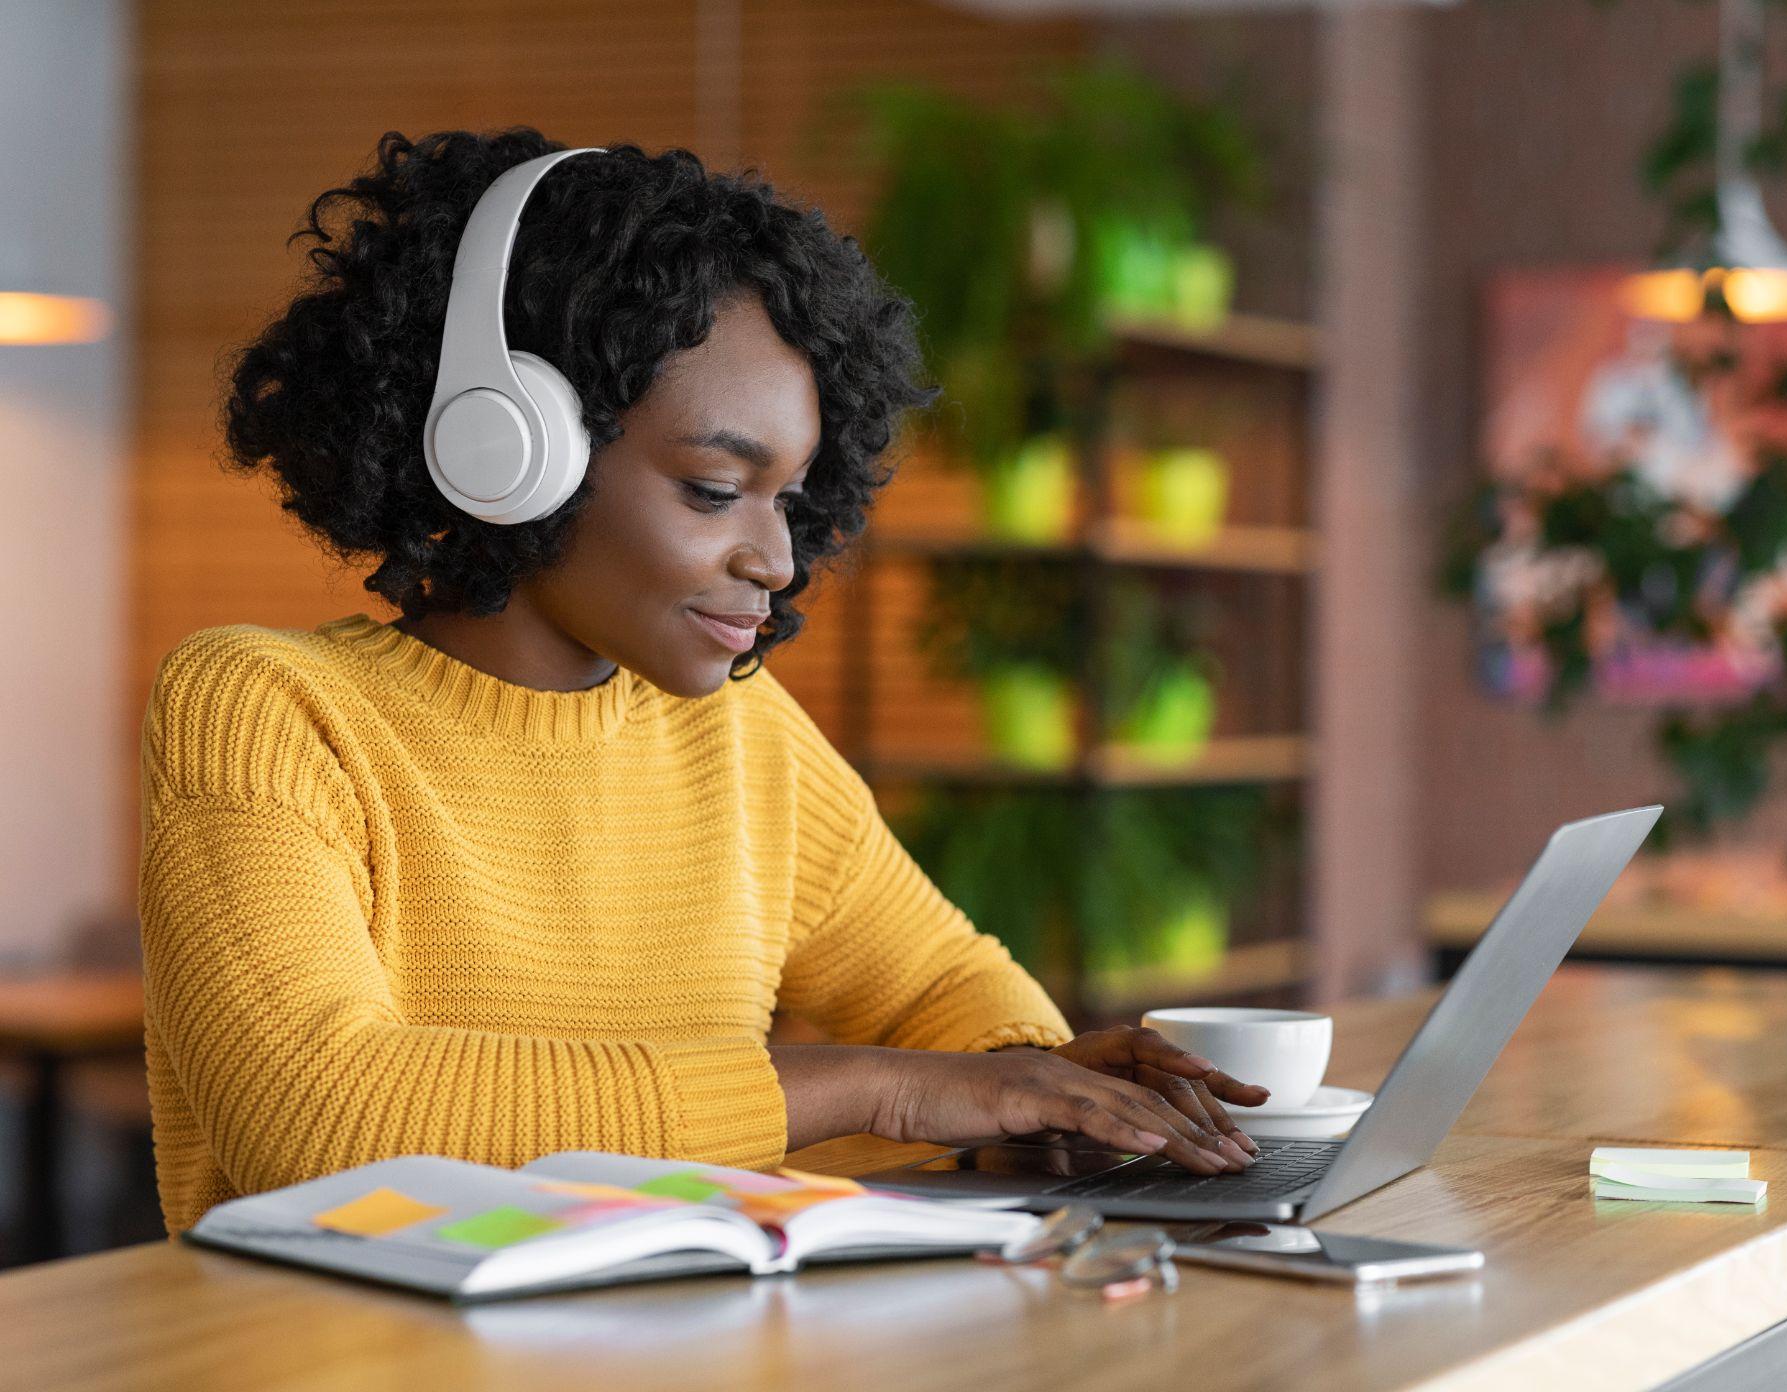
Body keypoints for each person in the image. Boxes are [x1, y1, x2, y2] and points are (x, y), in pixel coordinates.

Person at [137, 127, 1264, 1236]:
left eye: (790, 498)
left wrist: (1039, 1080)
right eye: (716, 489)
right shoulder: (265, 709)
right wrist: (878, 1089)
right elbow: (316, 1116)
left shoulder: (738, 735)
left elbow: (952, 992)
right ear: (510, 448)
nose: (775, 561)